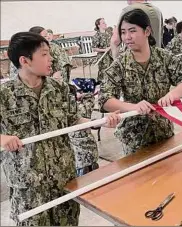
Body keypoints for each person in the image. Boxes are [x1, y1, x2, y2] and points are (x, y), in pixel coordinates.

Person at [1, 32, 121, 226]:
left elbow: (73, 119)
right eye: (45, 54)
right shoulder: (5, 95)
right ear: (25, 60)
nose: (52, 59)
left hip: (62, 179)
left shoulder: (59, 89)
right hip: (28, 187)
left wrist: (100, 121)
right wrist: (3, 138)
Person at [99, 9, 182, 156]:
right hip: (134, 139)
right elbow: (105, 99)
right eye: (123, 32)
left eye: (132, 31)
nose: (127, 37)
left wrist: (173, 94)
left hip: (164, 133)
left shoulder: (164, 57)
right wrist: (133, 107)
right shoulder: (120, 65)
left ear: (147, 31)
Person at [92, 18, 112, 83]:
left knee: (112, 72)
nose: (105, 24)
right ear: (99, 25)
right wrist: (104, 50)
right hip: (103, 58)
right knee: (103, 73)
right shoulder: (97, 36)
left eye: (105, 22)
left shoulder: (109, 34)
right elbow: (94, 48)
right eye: (103, 23)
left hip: (111, 56)